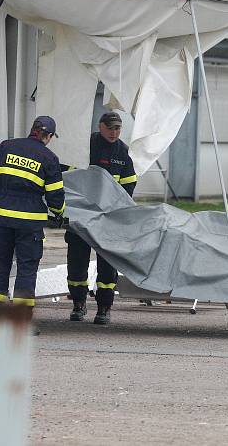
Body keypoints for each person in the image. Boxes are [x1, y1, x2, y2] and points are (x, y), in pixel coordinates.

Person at [0, 116, 65, 322]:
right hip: (29, 223)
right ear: (49, 136)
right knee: (27, 269)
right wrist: (59, 213)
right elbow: (55, 197)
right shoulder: (49, 158)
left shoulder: (6, 147)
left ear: (32, 129)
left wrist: (1, 190)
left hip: (3, 219)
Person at [65, 112, 137, 325]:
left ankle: (104, 308)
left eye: (118, 129)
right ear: (100, 127)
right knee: (77, 261)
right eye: (110, 128)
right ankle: (78, 303)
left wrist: (116, 207)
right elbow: (68, 176)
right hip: (81, 215)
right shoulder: (85, 145)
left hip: (107, 218)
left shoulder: (123, 152)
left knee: (107, 263)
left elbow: (129, 184)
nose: (114, 133)